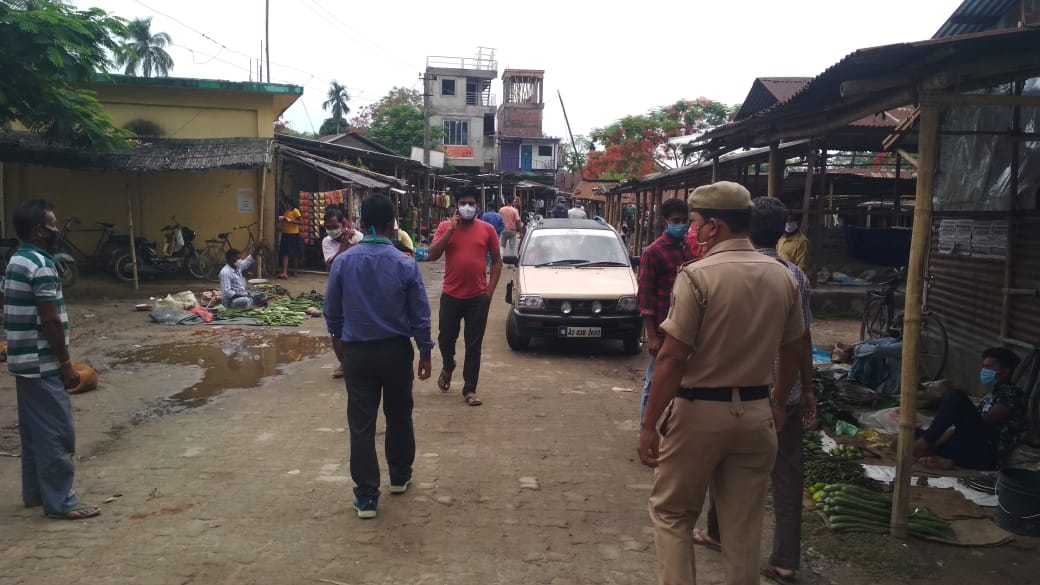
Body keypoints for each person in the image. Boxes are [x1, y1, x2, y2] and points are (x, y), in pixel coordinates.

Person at [637, 181, 805, 585]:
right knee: (743, 529)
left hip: (699, 414)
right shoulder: (784, 276)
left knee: (673, 514)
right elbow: (795, 348)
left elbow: (674, 357)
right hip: (756, 414)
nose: (691, 230)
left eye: (694, 222)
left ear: (712, 227)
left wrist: (648, 424)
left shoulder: (697, 276)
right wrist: (779, 402)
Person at [692, 196, 816, 583]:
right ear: (783, 231)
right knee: (787, 476)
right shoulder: (794, 276)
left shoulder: (710, 271)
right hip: (784, 395)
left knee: (721, 462)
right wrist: (807, 389)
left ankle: (714, 531)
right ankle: (784, 558)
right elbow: (802, 341)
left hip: (733, 392)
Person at [325, 194, 434, 519]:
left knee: (361, 425)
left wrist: (341, 348)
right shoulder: (404, 262)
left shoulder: (344, 262)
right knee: (400, 415)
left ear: (358, 225)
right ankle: (399, 477)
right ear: (391, 226)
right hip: (396, 352)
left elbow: (332, 314)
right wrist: (425, 352)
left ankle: (367, 497)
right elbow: (420, 314)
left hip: (357, 353)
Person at [3, 199, 100, 520]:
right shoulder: (41, 266)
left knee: (33, 433)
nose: (56, 230)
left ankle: (35, 493)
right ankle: (61, 501)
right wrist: (65, 364)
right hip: (42, 362)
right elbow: (51, 321)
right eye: (52, 225)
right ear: (38, 230)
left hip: (23, 361)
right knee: (57, 432)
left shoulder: (16, 260)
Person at [427, 187, 502, 406]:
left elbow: (497, 262)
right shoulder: (444, 227)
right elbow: (432, 255)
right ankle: (448, 365)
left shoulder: (487, 230)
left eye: (471, 203)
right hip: (451, 295)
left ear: (477, 206)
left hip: (477, 298)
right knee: (445, 338)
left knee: (473, 345)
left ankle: (470, 389)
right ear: (456, 206)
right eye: (463, 203)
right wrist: (450, 231)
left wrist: (489, 293)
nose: (467, 207)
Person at [913, 347, 1027, 470]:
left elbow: (985, 423)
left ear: (1005, 372)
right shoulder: (992, 394)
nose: (984, 370)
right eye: (983, 366)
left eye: (989, 367)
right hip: (968, 446)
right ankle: (943, 456)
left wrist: (948, 433)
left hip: (984, 452)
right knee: (916, 432)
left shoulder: (1013, 394)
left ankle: (927, 445)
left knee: (956, 397)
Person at [637, 197, 696, 423]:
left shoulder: (687, 250)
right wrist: (651, 336)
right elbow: (646, 297)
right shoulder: (653, 252)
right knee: (654, 382)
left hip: (685, 329)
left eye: (684, 221)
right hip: (662, 330)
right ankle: (646, 428)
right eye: (676, 220)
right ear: (665, 222)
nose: (680, 225)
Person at [277, 194, 304, 279]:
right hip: (286, 233)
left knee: (294, 254)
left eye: (285, 203)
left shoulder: (295, 211)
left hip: (293, 234)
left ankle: (295, 271)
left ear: (288, 203)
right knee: (285, 253)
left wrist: (291, 221)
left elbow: (301, 222)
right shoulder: (286, 211)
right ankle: (285, 272)